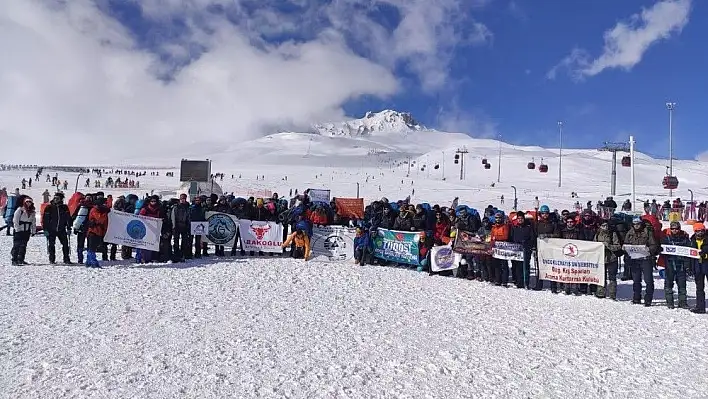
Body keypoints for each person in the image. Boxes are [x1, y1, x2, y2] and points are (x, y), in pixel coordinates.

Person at [623, 217, 660, 306]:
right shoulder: (630, 233)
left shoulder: (647, 232)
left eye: (638, 224)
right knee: (636, 280)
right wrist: (625, 248)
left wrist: (648, 249)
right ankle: (636, 298)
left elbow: (654, 245)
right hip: (635, 259)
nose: (636, 225)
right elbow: (626, 243)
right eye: (635, 224)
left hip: (646, 259)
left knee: (648, 280)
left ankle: (648, 299)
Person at [661, 221, 690, 309]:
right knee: (669, 284)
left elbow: (689, 251)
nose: (675, 230)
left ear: (679, 229)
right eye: (673, 229)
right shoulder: (666, 238)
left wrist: (687, 264)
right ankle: (670, 302)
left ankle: (683, 302)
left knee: (682, 285)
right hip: (670, 263)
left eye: (676, 229)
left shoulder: (684, 238)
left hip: (681, 264)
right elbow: (661, 250)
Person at [42, 192, 73, 264]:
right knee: (51, 244)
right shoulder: (49, 207)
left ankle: (66, 258)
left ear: (61, 199)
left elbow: (68, 218)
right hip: (51, 229)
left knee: (65, 244)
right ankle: (52, 259)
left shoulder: (64, 207)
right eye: (55, 198)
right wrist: (45, 229)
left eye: (57, 198)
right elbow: (45, 219)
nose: (56, 199)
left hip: (61, 229)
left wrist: (69, 227)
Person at [594, 219, 622, 300]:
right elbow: (593, 245)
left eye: (606, 225)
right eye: (603, 225)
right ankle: (600, 292)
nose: (605, 227)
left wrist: (608, 245)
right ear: (600, 226)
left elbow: (618, 246)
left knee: (612, 277)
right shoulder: (597, 234)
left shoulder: (612, 234)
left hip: (612, 258)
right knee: (601, 276)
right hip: (601, 258)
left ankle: (612, 294)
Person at [11, 196, 36, 265]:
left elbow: (33, 222)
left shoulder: (32, 211)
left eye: (30, 202)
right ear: (24, 202)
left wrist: (33, 231)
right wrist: (17, 229)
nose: (28, 203)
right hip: (19, 230)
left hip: (26, 230)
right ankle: (14, 259)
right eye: (27, 202)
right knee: (17, 245)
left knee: (23, 245)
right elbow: (15, 220)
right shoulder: (20, 210)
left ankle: (21, 259)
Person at [86, 197, 110, 268]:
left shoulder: (99, 210)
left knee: (92, 247)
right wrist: (105, 213)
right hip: (93, 231)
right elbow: (100, 219)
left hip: (99, 232)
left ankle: (88, 262)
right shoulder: (94, 210)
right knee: (92, 247)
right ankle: (93, 262)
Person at [690, 223, 708, 313]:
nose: (699, 233)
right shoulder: (692, 240)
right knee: (699, 288)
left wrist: (705, 254)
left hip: (706, 264)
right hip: (698, 266)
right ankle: (700, 307)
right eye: (697, 231)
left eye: (701, 231)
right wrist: (690, 267)